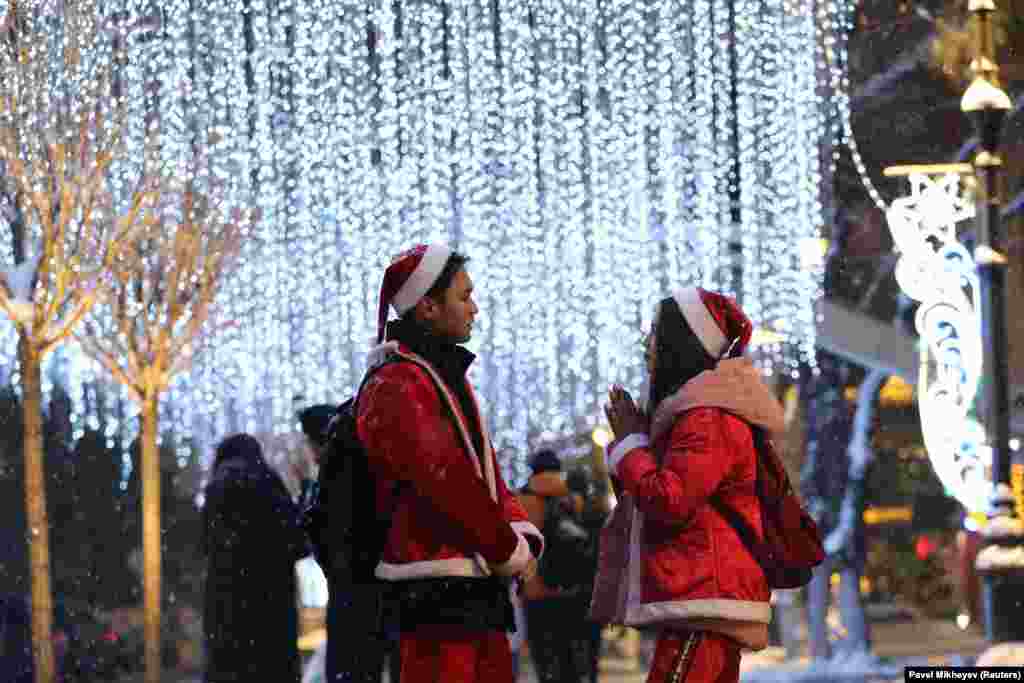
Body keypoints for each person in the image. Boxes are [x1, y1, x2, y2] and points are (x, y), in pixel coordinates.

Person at [356, 244, 544, 683]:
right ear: (427, 307)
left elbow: (485, 473)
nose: (475, 308)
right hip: (437, 597)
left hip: (471, 588)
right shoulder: (398, 383)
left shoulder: (440, 376)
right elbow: (446, 481)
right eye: (464, 296)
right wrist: (508, 549)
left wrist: (518, 537)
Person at [602, 287, 785, 683]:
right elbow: (647, 502)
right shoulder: (689, 414)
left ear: (680, 343)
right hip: (703, 594)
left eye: (655, 332)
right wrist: (634, 444)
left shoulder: (705, 415)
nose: (646, 343)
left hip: (704, 594)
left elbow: (669, 501)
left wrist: (630, 443)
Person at [297, 403, 403, 683]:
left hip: (353, 591)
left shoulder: (335, 475)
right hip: (381, 588)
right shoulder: (368, 465)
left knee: (353, 668)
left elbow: (318, 534)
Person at [201, 433, 311, 683]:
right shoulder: (269, 483)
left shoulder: (216, 489)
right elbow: (298, 541)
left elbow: (206, 545)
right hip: (270, 606)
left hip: (226, 608)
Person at [517, 450, 605, 683]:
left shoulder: (520, 501)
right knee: (572, 663)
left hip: (536, 593)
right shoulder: (575, 498)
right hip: (572, 592)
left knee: (545, 663)